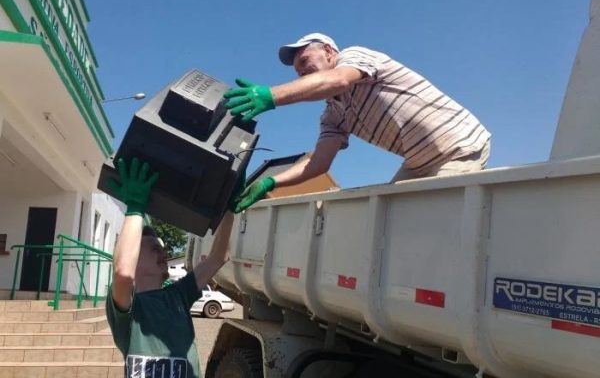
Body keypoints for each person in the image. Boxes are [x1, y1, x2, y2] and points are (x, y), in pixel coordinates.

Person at [225, 33, 490, 212]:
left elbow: (338, 79)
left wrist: (271, 96)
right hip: (419, 163)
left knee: (419, 220)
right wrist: (270, 183)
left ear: (329, 52)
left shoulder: (355, 58)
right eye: (298, 72)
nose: (302, 73)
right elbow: (318, 164)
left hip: (459, 145)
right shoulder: (333, 114)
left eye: (305, 62)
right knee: (389, 216)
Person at [106, 157, 235, 378]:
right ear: (134, 257)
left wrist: (229, 209)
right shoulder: (129, 310)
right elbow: (123, 273)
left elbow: (219, 257)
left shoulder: (178, 295)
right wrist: (135, 207)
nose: (164, 254)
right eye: (154, 248)